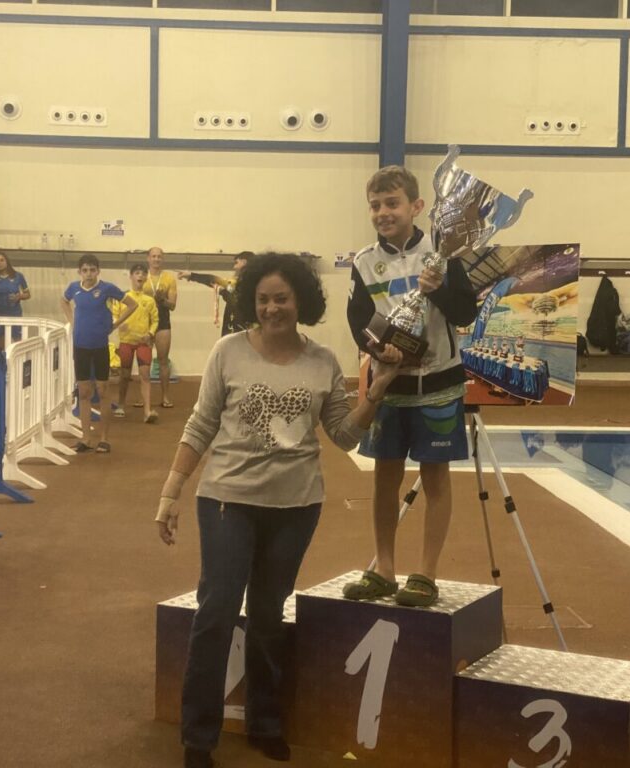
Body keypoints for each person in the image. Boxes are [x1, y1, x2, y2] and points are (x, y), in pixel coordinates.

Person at [155, 253, 404, 768]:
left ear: (301, 303)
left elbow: (342, 434)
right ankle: (198, 737)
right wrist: (171, 492)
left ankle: (266, 723)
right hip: (227, 500)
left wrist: (374, 395)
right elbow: (200, 425)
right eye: (263, 299)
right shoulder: (227, 352)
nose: (271, 308)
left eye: (282, 299)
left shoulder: (323, 361)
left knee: (269, 615)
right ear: (251, 301)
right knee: (217, 611)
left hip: (296, 507)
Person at [343, 165, 478, 608]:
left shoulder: (443, 254)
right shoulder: (363, 262)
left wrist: (437, 289)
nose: (383, 212)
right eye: (376, 206)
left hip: (439, 383)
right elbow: (358, 321)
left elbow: (464, 313)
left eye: (392, 203)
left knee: (435, 476)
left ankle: (425, 572)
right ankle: (383, 567)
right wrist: (379, 352)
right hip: (390, 384)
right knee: (385, 477)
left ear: (417, 207)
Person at [60, 254, 135, 454]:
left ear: (98, 271)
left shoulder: (106, 288)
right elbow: (63, 301)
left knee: (102, 391)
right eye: (85, 270)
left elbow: (132, 304)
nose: (89, 274)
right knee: (84, 392)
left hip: (100, 347)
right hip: (81, 346)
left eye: (92, 270)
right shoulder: (74, 288)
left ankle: (104, 438)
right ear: (79, 272)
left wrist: (114, 325)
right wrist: (72, 322)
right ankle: (86, 438)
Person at [111, 264, 159, 424]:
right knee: (124, 375)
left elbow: (155, 320)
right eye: (137, 273)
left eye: (143, 273)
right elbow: (114, 316)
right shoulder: (123, 298)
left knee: (145, 375)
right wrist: (118, 324)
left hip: (143, 343)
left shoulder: (149, 301)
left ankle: (147, 411)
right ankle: (121, 404)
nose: (140, 276)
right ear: (131, 276)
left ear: (146, 277)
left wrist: (150, 334)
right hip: (126, 341)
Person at [179, 252, 253, 337]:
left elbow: (215, 280)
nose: (234, 267)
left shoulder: (244, 285)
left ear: (244, 262)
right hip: (235, 328)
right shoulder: (237, 285)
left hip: (240, 330)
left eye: (236, 262)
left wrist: (192, 275)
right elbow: (223, 287)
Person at [143, 247, 177, 408]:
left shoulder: (169, 278)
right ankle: (144, 398)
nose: (156, 259)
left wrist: (162, 300)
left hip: (163, 322)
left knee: (163, 361)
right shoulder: (142, 276)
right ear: (148, 258)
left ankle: (165, 396)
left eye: (159, 257)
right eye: (153, 256)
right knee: (144, 362)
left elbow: (173, 305)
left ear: (162, 259)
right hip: (144, 322)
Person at [0, 252, 29, 345]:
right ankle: (4, 359)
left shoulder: (18, 276)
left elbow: (28, 294)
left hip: (14, 313)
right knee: (2, 345)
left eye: (2, 260)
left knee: (18, 343)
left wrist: (19, 296)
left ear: (7, 261)